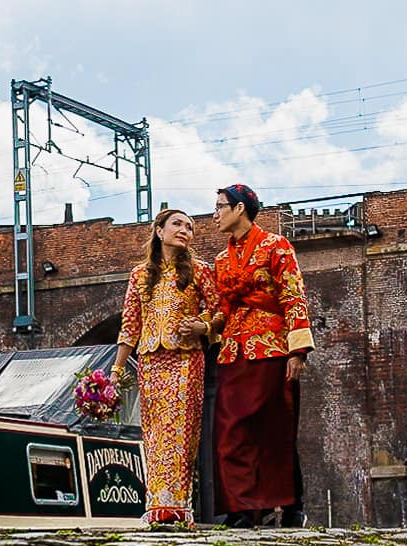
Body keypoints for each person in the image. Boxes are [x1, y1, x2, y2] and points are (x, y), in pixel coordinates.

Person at [209, 183, 312, 527]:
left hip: (271, 347)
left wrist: (297, 351)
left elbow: (293, 296)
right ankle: (242, 507)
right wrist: (207, 327)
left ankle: (289, 504)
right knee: (230, 430)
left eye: (221, 206)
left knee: (273, 428)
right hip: (232, 351)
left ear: (240, 209)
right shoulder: (221, 259)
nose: (216, 214)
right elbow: (223, 308)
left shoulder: (276, 246)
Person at [112, 206, 219, 526]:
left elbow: (220, 311)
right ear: (159, 231)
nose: (185, 230)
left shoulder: (200, 270)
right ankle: (156, 506)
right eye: (177, 224)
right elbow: (130, 325)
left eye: (189, 227)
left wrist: (203, 327)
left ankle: (179, 506)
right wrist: (116, 371)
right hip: (150, 361)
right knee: (156, 433)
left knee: (182, 432)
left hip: (186, 359)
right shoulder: (138, 274)